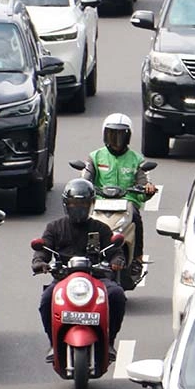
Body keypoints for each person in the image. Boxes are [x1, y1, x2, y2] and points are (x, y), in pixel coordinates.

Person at [32, 179, 126, 363]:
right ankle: (53, 343)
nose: (79, 208)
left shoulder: (101, 229)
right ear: (66, 205)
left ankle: (109, 342)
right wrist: (39, 263)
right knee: (46, 300)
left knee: (116, 295)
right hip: (63, 279)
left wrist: (117, 261)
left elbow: (116, 252)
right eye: (75, 204)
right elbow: (42, 251)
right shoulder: (54, 227)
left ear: (91, 205)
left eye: (83, 204)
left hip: (96, 278)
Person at [80, 113, 157, 281]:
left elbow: (144, 184)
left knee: (136, 218)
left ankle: (137, 259)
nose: (116, 139)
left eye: (120, 135)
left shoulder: (137, 160)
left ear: (128, 136)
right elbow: (85, 180)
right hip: (99, 203)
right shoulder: (95, 157)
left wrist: (148, 190)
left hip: (127, 203)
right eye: (111, 134)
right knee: (81, 220)